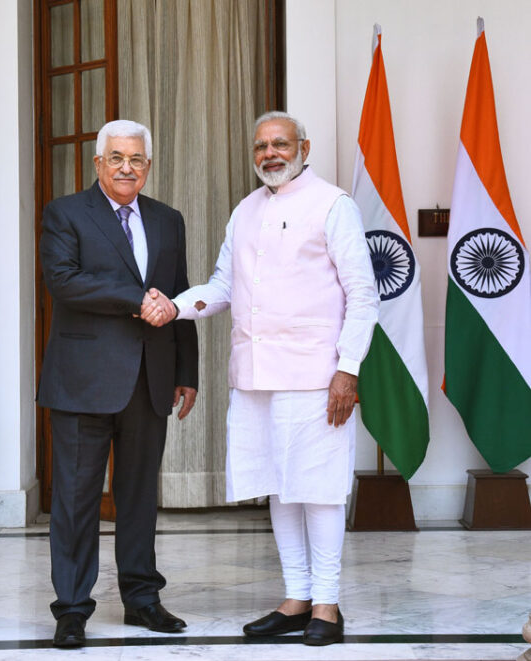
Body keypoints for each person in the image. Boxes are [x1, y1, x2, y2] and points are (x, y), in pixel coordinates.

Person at [141, 111, 379, 646]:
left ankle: (327, 606)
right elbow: (223, 285)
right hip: (254, 377)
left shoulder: (333, 205)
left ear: (303, 147)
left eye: (280, 144)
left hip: (318, 376)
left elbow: (363, 294)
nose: (270, 154)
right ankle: (296, 598)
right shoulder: (246, 210)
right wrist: (173, 307)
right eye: (261, 147)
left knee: (317, 491)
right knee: (279, 487)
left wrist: (348, 370)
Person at [37, 119, 199, 648]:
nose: (127, 167)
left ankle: (142, 600)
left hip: (150, 381)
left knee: (137, 499)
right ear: (98, 163)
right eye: (116, 158)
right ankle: (73, 609)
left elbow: (178, 296)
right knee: (77, 501)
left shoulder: (168, 220)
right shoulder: (65, 213)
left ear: (148, 166)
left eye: (136, 159)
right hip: (83, 382)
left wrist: (186, 372)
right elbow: (63, 281)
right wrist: (136, 299)